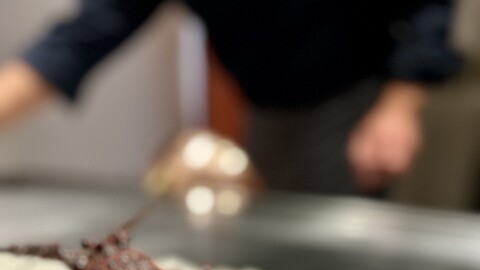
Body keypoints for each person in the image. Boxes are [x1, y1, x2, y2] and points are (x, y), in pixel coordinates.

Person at [0, 1, 462, 195]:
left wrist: (399, 106)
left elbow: (426, 7)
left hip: (354, 102)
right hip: (262, 107)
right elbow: (87, 32)